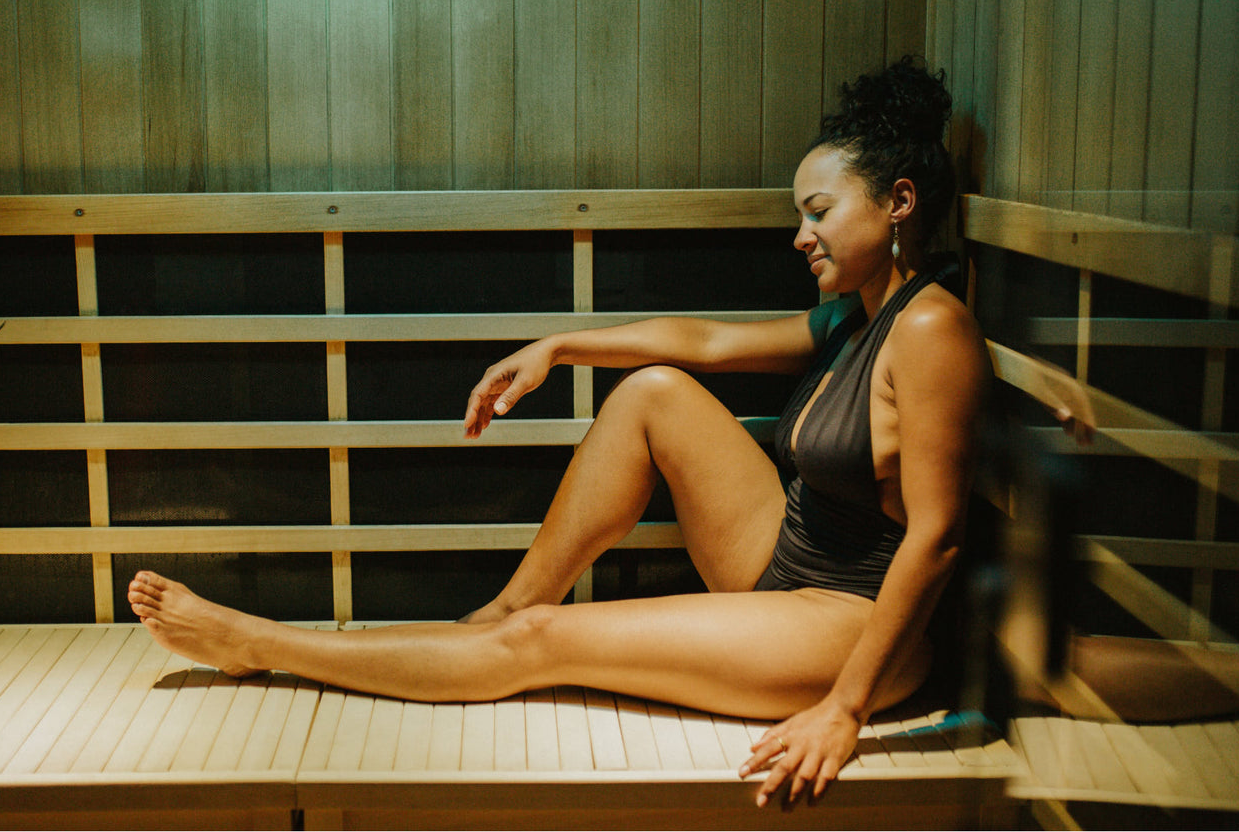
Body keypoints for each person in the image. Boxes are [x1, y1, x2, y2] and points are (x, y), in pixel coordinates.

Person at [127, 56, 992, 807]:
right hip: (784, 561)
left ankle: (263, 643)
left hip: (847, 617)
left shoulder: (929, 330)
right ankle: (507, 608)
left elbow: (940, 534)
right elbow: (705, 342)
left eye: (818, 212)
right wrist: (559, 346)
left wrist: (843, 707)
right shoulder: (853, 316)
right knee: (656, 389)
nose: (800, 235)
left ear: (899, 202)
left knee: (545, 645)